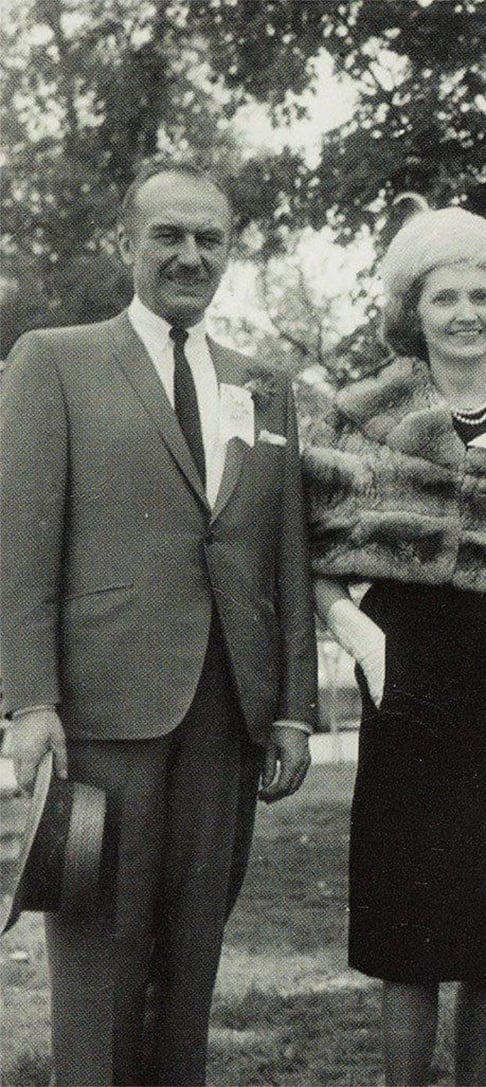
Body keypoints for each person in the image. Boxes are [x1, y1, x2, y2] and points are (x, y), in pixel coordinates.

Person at [0, 160, 319, 1086]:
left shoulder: (264, 386)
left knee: (192, 955)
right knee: (101, 954)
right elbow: (22, 547)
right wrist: (30, 701)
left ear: (230, 250)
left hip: (227, 716)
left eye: (209, 238)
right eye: (167, 236)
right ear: (125, 244)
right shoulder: (51, 360)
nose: (190, 255)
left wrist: (293, 706)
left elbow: (282, 556)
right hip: (102, 714)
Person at [302, 203, 486, 1086]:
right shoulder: (361, 415)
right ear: (414, 310)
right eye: (446, 298)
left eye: (482, 295)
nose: (467, 313)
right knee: (409, 929)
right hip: (411, 678)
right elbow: (313, 549)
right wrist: (365, 642)